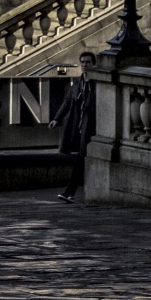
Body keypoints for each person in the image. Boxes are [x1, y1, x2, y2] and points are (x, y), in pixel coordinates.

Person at [50, 50, 97, 203]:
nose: (85, 65)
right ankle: (72, 192)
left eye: (88, 62)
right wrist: (57, 119)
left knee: (81, 158)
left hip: (93, 128)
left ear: (93, 64)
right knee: (81, 158)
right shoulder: (78, 82)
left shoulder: (97, 83)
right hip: (79, 127)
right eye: (82, 62)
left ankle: (70, 192)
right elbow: (68, 101)